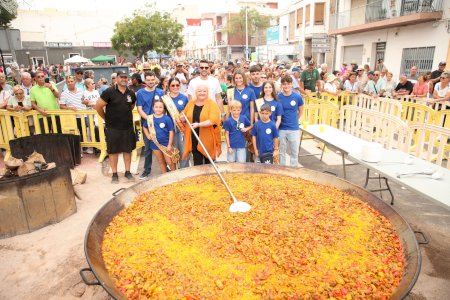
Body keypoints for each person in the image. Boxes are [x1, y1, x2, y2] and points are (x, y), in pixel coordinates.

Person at [95, 70, 136, 183]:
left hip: (127, 127)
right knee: (113, 152)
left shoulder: (131, 93)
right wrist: (105, 118)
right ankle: (114, 174)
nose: (124, 79)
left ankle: (128, 172)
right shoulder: (109, 92)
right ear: (116, 79)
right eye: (121, 77)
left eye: (125, 77)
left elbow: (131, 107)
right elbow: (98, 106)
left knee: (127, 150)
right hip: (113, 127)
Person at [182, 84, 222, 166]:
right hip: (194, 137)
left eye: (204, 91)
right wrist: (182, 117)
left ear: (207, 92)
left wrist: (199, 124)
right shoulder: (191, 103)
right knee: (197, 162)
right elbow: (184, 114)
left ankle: (210, 178)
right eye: (199, 91)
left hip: (208, 137)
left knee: (209, 162)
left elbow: (213, 120)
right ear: (196, 92)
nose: (202, 93)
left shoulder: (212, 104)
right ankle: (199, 178)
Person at [136, 72, 165, 179]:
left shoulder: (161, 92)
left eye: (152, 79)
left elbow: (165, 108)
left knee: (163, 145)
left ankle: (166, 166)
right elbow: (139, 109)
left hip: (161, 124)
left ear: (155, 80)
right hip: (147, 123)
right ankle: (146, 170)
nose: (150, 82)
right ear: (145, 80)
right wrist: (149, 119)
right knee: (148, 148)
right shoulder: (140, 93)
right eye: (148, 80)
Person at [142, 99, 175, 173]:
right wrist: (147, 135)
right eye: (156, 107)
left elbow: (171, 132)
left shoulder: (167, 118)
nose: (158, 109)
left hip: (166, 144)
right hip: (154, 144)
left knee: (169, 162)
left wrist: (169, 144)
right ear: (153, 108)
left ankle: (174, 176)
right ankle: (164, 176)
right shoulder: (149, 118)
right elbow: (144, 127)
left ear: (163, 109)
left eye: (160, 107)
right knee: (160, 161)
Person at [278, 75, 303, 167]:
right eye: (284, 84)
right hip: (282, 128)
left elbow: (301, 111)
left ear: (291, 84)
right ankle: (282, 169)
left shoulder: (297, 97)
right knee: (282, 151)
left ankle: (293, 170)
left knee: (294, 152)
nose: (286, 86)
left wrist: (294, 120)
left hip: (294, 128)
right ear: (281, 85)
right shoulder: (278, 97)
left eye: (288, 84)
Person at [165, 77, 189, 168]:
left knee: (184, 151)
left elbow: (188, 112)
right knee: (173, 151)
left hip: (182, 128)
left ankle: (184, 170)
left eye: (177, 85)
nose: (175, 87)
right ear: (169, 86)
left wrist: (184, 116)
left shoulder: (184, 97)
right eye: (173, 85)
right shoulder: (165, 99)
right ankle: (175, 171)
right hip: (170, 129)